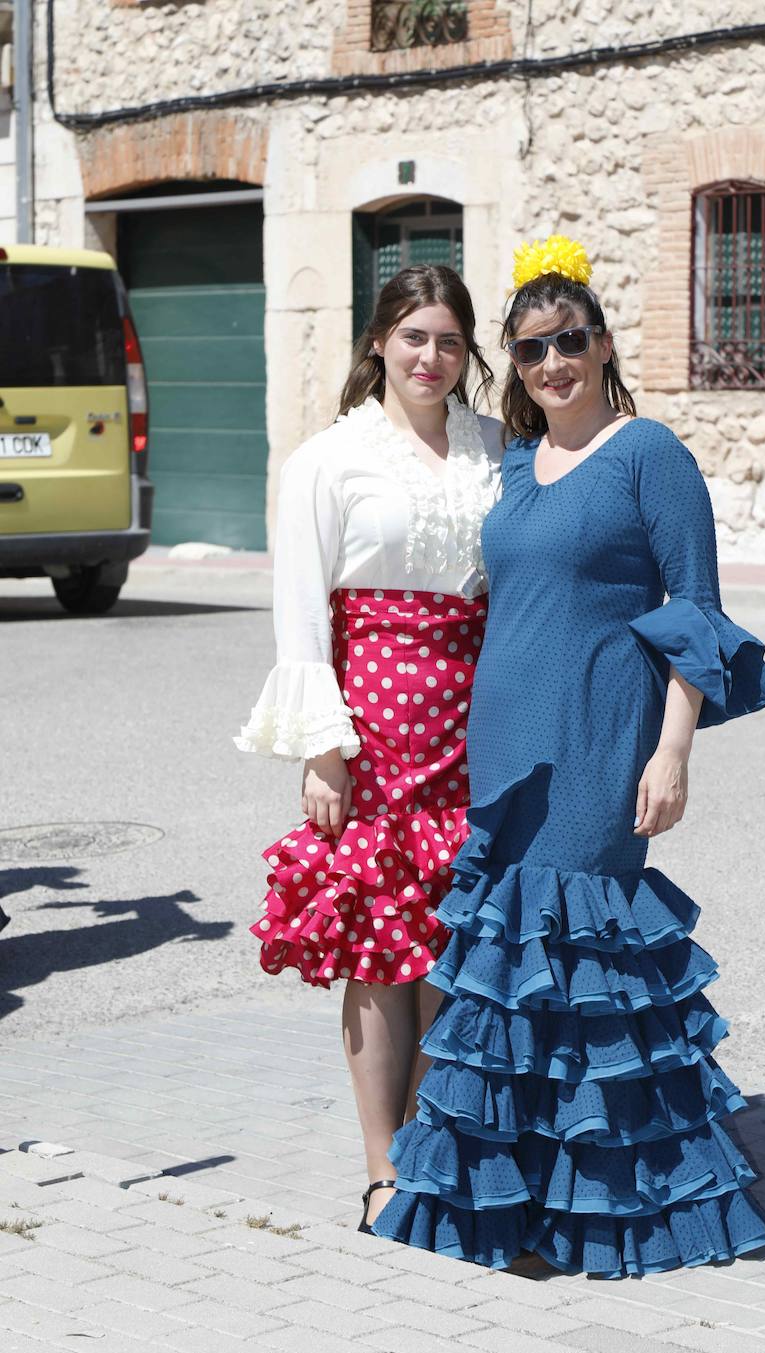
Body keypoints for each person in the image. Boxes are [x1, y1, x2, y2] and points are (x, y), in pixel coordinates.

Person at [372, 237, 765, 1276]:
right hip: (504, 738)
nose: (550, 363)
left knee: (585, 964)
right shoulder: (514, 465)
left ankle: (609, 1207)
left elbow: (693, 610)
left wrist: (674, 751)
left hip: (602, 738)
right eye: (528, 350)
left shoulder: (650, 454)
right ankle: (511, 1206)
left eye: (567, 341)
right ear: (512, 365)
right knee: (509, 975)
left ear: (602, 345)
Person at [235, 265, 503, 1231]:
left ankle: (441, 1139)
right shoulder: (328, 460)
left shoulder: (495, 449)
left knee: (458, 945)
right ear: (378, 344)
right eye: (413, 336)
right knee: (382, 949)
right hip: (379, 730)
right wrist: (323, 750)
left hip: (483, 723)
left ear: (467, 352)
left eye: (447, 340)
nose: (430, 357)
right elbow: (302, 615)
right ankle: (384, 1164)